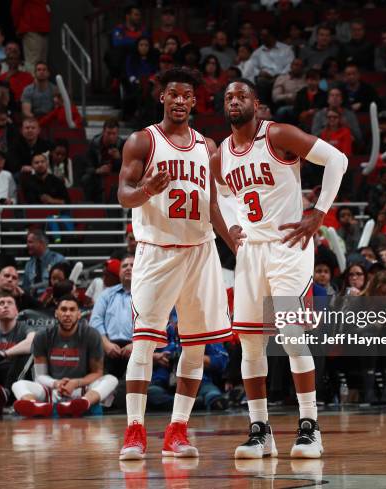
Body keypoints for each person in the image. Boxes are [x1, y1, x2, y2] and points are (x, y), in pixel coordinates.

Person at [215, 79, 347, 458]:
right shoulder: (222, 152)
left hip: (289, 246)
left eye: (241, 95)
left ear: (256, 103)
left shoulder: (278, 134)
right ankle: (260, 431)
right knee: (250, 343)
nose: (234, 101)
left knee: (290, 333)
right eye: (228, 97)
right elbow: (219, 194)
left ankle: (310, 428)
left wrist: (318, 213)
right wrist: (232, 224)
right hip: (252, 252)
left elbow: (337, 160)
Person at [117, 68, 233, 460]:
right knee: (144, 343)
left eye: (187, 95)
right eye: (173, 94)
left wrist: (239, 246)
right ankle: (134, 431)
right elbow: (124, 195)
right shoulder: (142, 141)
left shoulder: (209, 147)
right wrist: (147, 189)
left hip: (200, 251)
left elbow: (215, 205)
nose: (180, 100)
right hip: (157, 250)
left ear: (195, 102)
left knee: (196, 345)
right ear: (162, 98)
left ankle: (177, 431)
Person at [12, 295, 118, 417]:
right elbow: (40, 375)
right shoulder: (42, 336)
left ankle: (84, 402)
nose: (67, 314)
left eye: (72, 310)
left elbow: (97, 372)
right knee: (18, 384)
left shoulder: (92, 335)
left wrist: (75, 383)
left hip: (82, 389)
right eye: (63, 309)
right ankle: (36, 407)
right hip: (53, 390)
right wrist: (56, 384)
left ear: (79, 314)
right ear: (56, 313)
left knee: (111, 380)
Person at [89, 255, 134, 379]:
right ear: (119, 272)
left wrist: (135, 345)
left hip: (137, 348)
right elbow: (95, 321)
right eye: (124, 266)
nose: (128, 268)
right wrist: (106, 344)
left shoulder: (147, 295)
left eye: (132, 265)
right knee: (105, 387)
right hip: (108, 347)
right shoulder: (106, 294)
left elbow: (151, 323)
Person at [21, 229, 65, 296]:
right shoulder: (29, 264)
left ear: (41, 243)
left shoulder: (58, 260)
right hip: (33, 303)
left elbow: (63, 286)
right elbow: (25, 289)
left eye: (30, 242)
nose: (27, 245)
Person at [11, 0, 50, 72]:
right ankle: (31, 83)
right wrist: (18, 25)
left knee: (42, 63)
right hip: (31, 28)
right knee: (33, 63)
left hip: (43, 29)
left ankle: (40, 83)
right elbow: (16, 7)